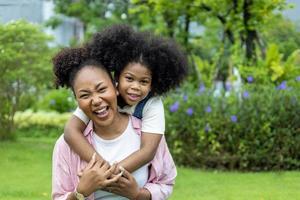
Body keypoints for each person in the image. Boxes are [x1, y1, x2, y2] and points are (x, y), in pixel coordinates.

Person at [52, 47, 177, 200]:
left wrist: (138, 195)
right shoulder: (66, 146)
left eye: (102, 89)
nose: (96, 100)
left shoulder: (147, 132)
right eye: (85, 95)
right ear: (77, 100)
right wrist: (80, 193)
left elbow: (165, 183)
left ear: (115, 86)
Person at [63, 25, 188, 173]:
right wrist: (101, 166)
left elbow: (147, 151)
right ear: (117, 77)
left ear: (153, 84)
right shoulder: (101, 98)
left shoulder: (152, 104)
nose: (135, 87)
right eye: (129, 78)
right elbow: (71, 132)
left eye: (144, 82)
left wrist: (110, 173)